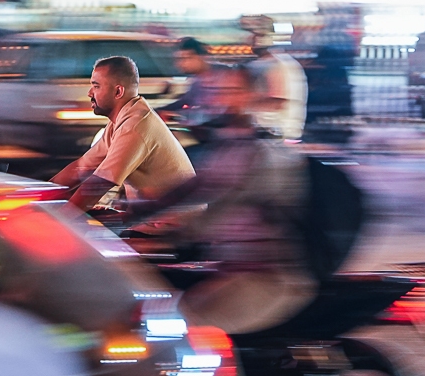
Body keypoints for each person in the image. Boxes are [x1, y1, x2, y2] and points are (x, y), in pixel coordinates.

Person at [132, 64, 315, 334]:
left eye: (232, 91)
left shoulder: (261, 151)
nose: (220, 98)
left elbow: (228, 201)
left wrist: (171, 237)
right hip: (228, 269)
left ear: (252, 96)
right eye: (216, 90)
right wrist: (131, 212)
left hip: (263, 279)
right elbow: (191, 189)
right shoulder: (225, 144)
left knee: (175, 329)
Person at [50, 55, 194, 212]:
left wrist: (60, 217)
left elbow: (99, 183)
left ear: (118, 91)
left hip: (171, 221)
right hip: (149, 214)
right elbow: (81, 167)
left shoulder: (135, 126)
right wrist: (43, 194)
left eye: (96, 86)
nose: (90, 93)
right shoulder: (122, 120)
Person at [246, 28, 308, 142]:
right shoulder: (282, 63)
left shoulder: (275, 65)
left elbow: (277, 102)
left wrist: (243, 105)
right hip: (277, 132)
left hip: (277, 134)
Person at [161, 37, 214, 125]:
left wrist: (180, 115)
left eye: (186, 58)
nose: (181, 64)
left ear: (202, 57)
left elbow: (215, 114)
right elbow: (184, 101)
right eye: (178, 60)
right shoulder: (198, 81)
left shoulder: (224, 77)